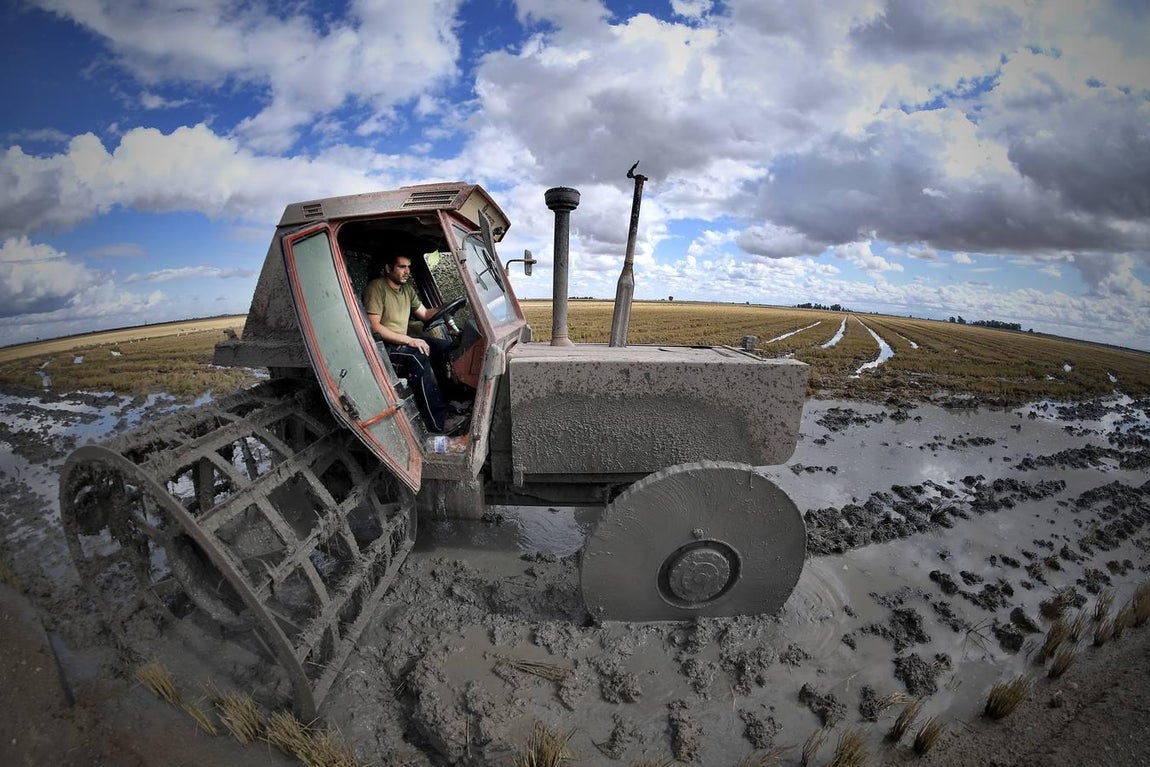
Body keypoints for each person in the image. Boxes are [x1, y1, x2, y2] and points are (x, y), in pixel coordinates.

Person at [363, 253, 455, 433]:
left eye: (409, 267)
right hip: (383, 346)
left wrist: (448, 306)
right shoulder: (376, 288)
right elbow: (374, 327)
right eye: (402, 267)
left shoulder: (407, 290)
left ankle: (451, 400)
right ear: (388, 269)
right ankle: (437, 422)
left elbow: (425, 314)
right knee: (418, 356)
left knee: (444, 347)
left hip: (403, 341)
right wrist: (409, 339)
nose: (407, 272)